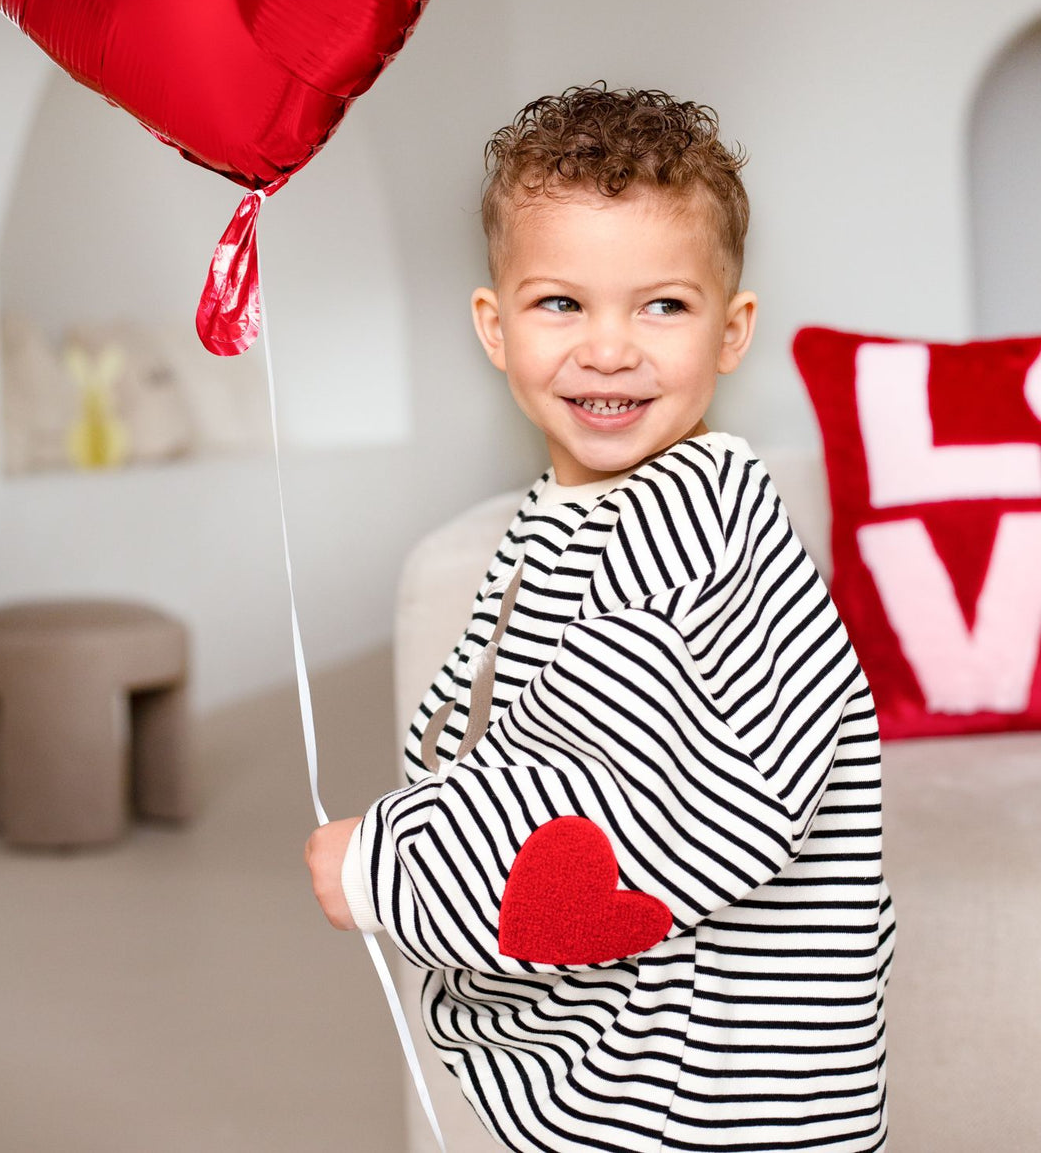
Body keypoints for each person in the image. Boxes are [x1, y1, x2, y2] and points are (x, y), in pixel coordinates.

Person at [305, 84, 896, 1152]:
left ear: (732, 328)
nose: (610, 348)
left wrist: (384, 865)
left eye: (662, 305)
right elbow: (512, 732)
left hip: (718, 1093)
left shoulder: (701, 526)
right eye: (561, 304)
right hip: (631, 1075)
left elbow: (673, 810)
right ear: (496, 325)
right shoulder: (564, 517)